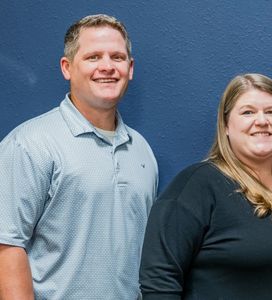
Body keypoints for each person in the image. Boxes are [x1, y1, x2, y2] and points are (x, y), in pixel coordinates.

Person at [139, 73, 272, 299]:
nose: (262, 121)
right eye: (248, 112)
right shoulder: (198, 186)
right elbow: (159, 281)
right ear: (226, 126)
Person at [0, 14, 158, 299]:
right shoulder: (29, 144)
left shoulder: (141, 150)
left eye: (117, 57)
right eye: (93, 57)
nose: (107, 67)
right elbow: (7, 247)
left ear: (130, 68)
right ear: (67, 67)